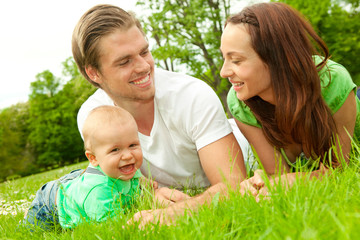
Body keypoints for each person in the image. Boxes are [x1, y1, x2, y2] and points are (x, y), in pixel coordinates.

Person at [72, 4, 251, 226]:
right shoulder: (93, 117)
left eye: (144, 52)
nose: (144, 66)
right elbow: (125, 185)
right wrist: (152, 194)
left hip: (245, 145)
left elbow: (235, 185)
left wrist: (179, 212)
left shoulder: (192, 95)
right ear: (94, 72)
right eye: (125, 61)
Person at [220, 2, 360, 198]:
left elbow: (337, 171)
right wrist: (263, 184)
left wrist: (294, 180)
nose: (224, 72)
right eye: (224, 58)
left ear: (277, 57)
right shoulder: (241, 102)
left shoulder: (332, 81)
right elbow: (277, 174)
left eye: (236, 60)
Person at [22, 105, 156, 230]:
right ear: (94, 158)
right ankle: (29, 212)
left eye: (132, 145)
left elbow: (139, 181)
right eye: (115, 150)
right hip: (51, 205)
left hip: (80, 181)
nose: (128, 155)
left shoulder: (125, 167)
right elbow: (113, 229)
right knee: (27, 233)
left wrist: (148, 186)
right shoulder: (98, 191)